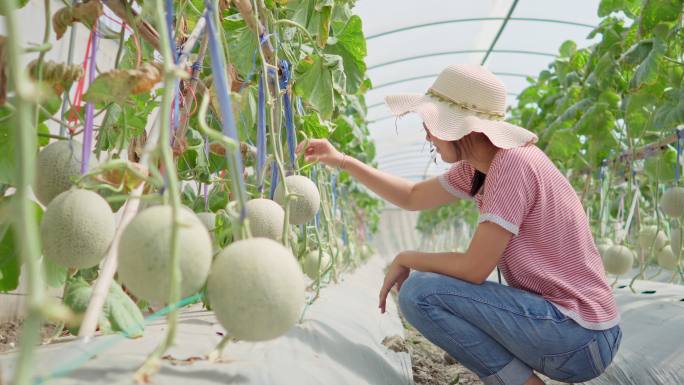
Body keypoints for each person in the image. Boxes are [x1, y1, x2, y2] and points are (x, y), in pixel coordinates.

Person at [295, 64, 621, 385]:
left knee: (420, 293)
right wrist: (341, 160)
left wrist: (405, 256)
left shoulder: (512, 164)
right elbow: (411, 196)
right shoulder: (480, 169)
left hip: (579, 335)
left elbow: (474, 268)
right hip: (576, 332)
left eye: (430, 122)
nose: (426, 134)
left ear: (460, 127)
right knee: (423, 288)